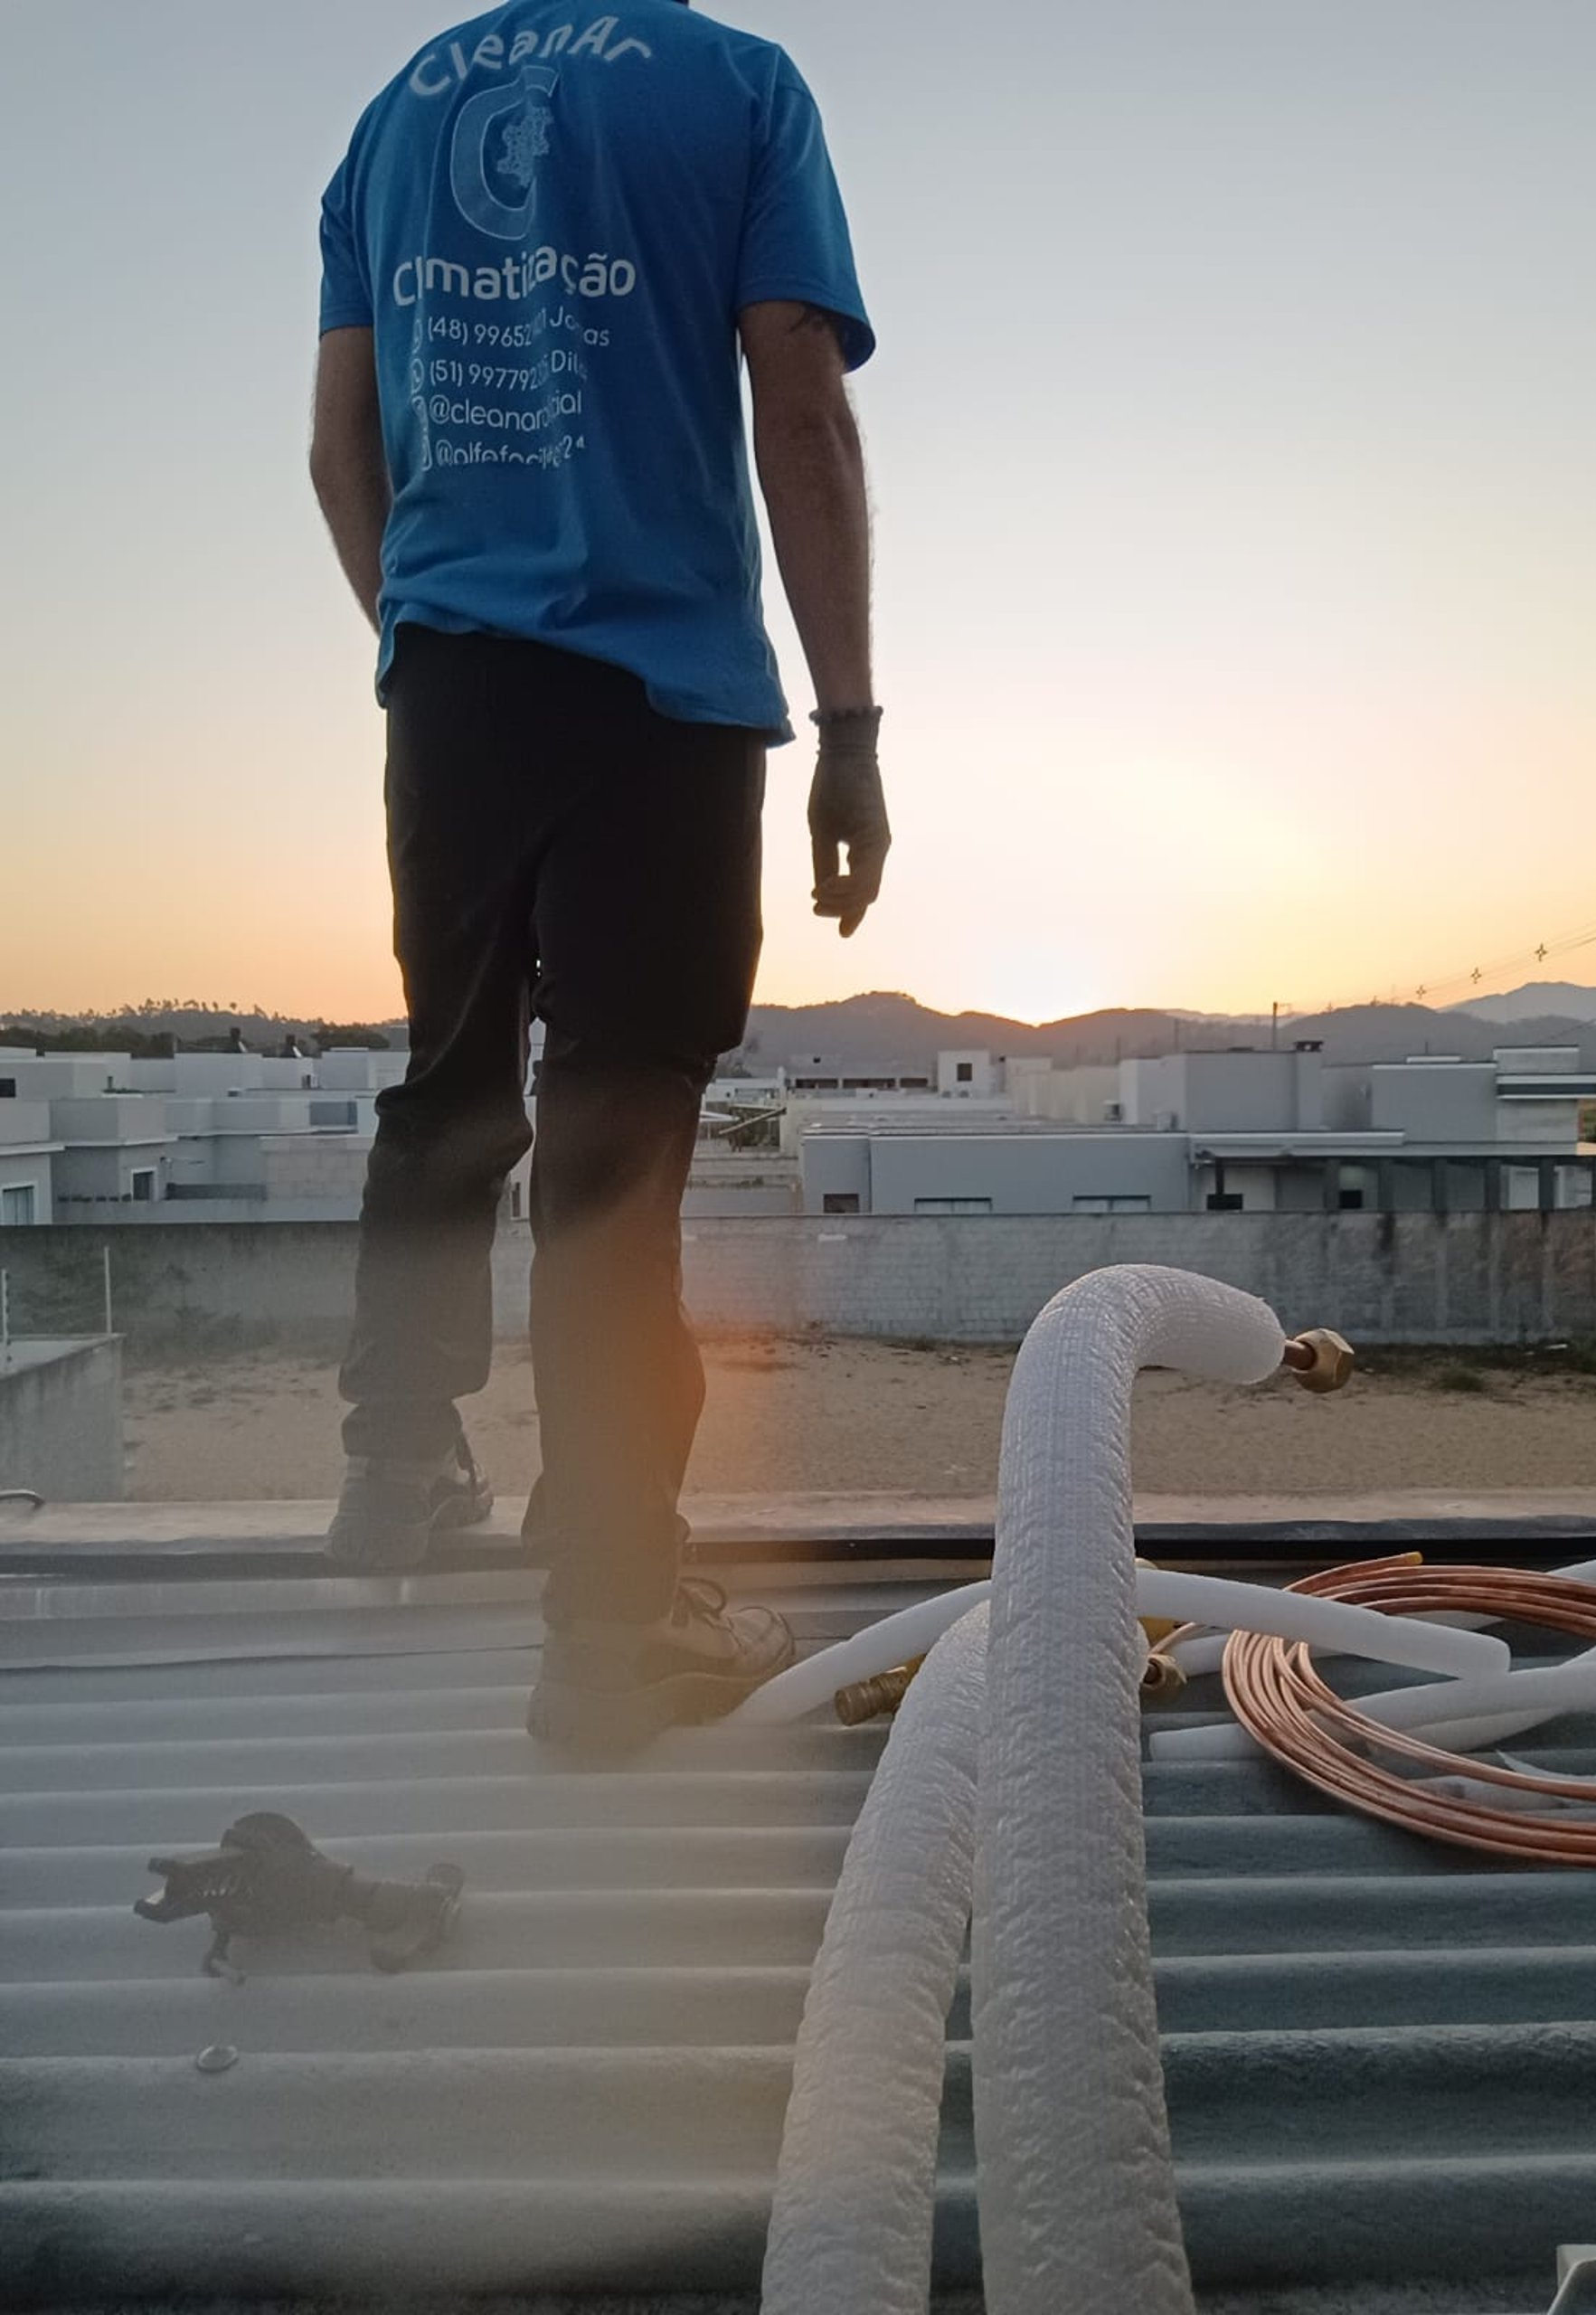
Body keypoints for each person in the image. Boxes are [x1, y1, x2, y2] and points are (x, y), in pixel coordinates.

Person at [309, 0, 888, 1752]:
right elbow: (800, 407)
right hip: (663, 694)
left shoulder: (398, 112)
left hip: (456, 686)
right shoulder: (737, 89)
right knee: (618, 1149)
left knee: (451, 1094)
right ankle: (616, 1616)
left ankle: (397, 1467)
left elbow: (344, 450)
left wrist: (425, 647)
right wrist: (851, 719)